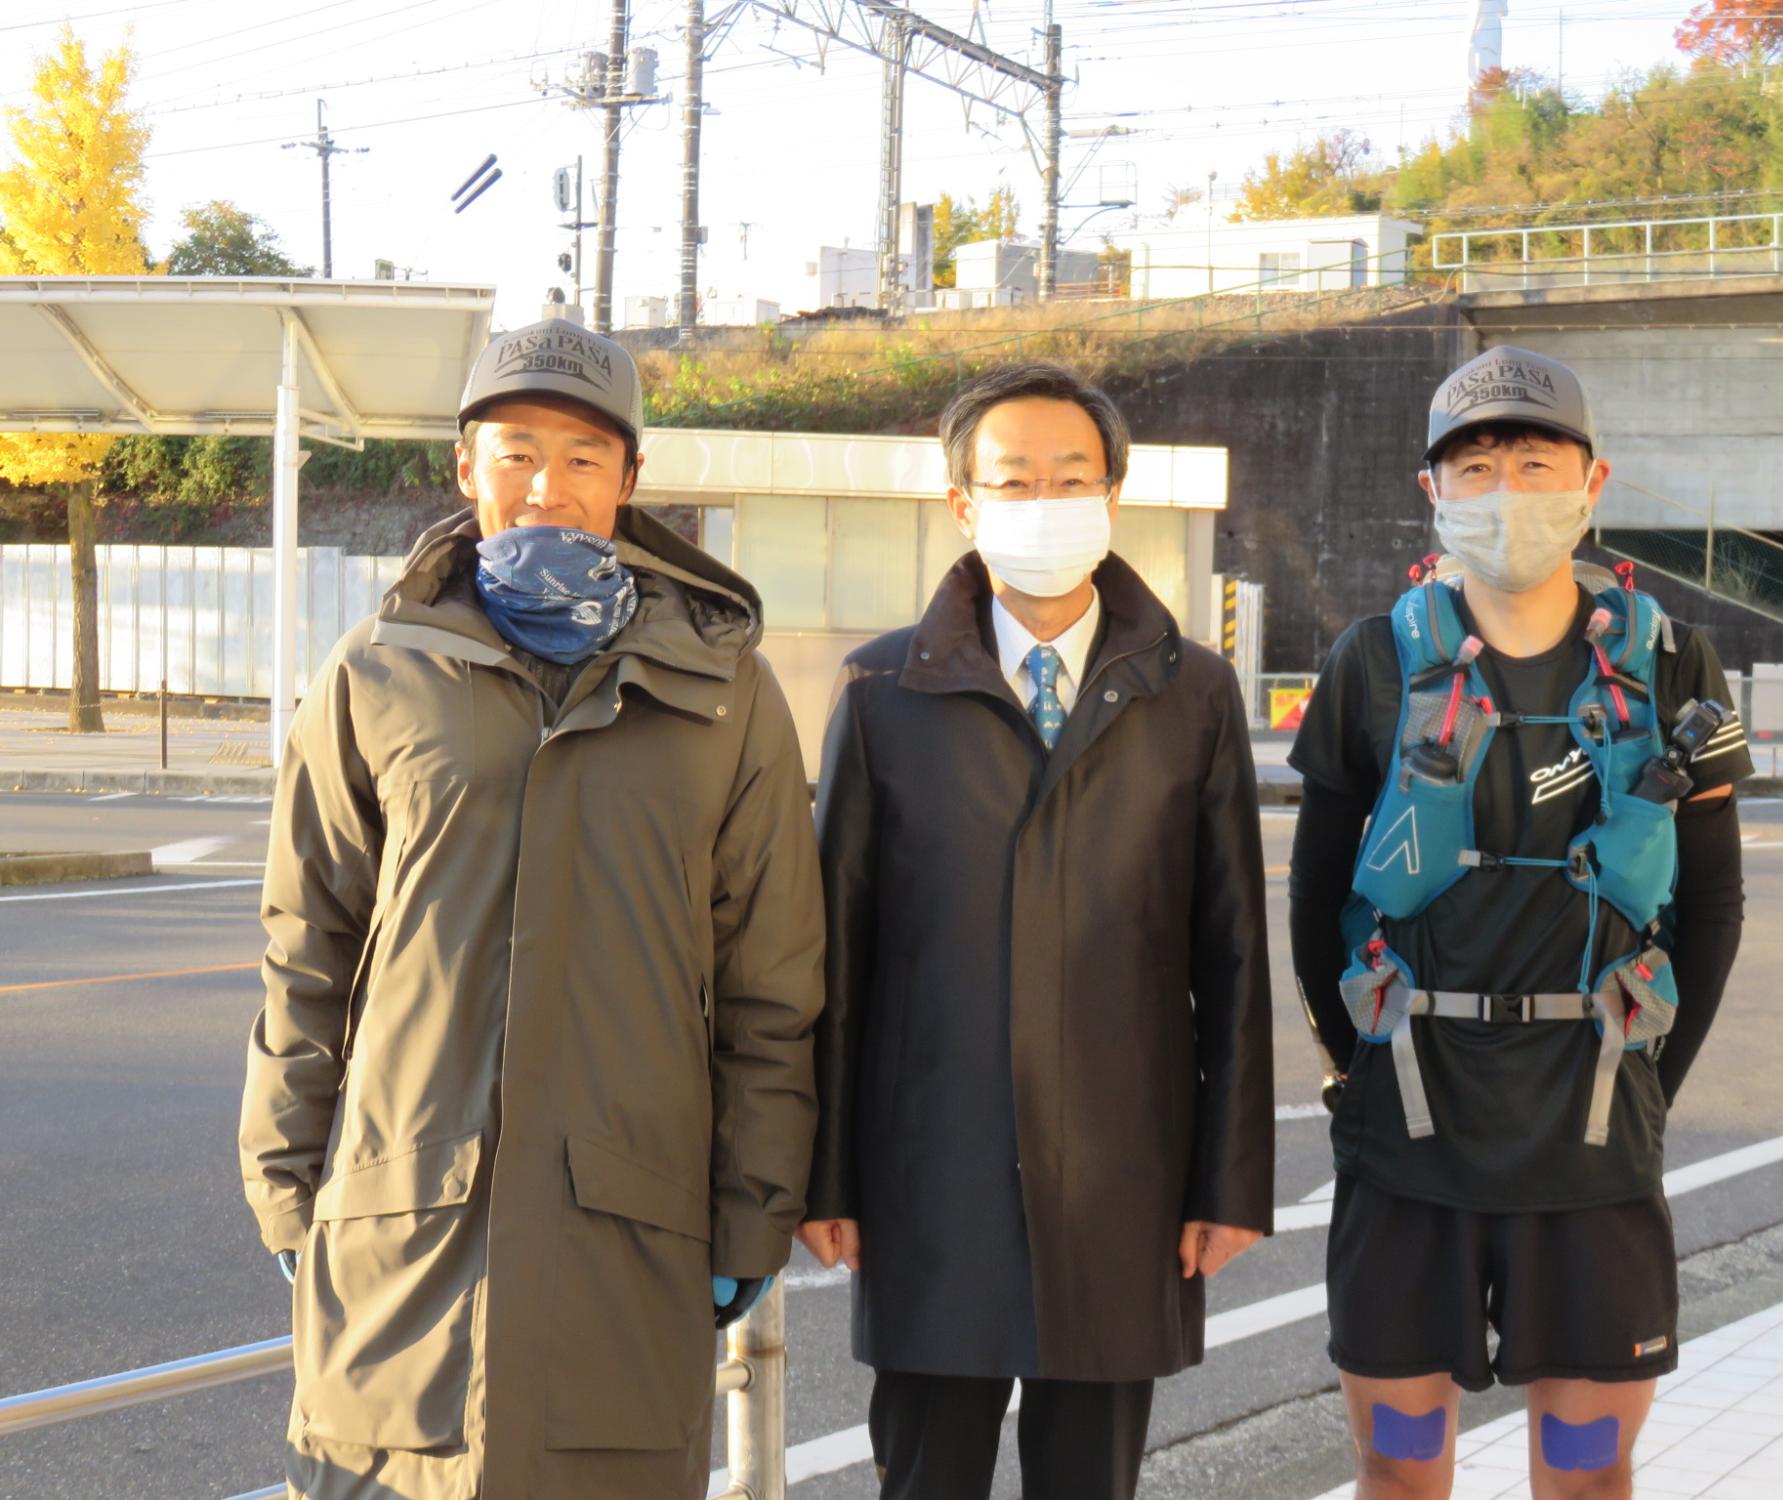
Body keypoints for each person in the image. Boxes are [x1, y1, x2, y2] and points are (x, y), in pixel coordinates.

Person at [238, 317, 824, 1500]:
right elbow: (308, 947)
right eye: (514, 452)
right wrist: (286, 1182)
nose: (545, 487)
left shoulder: (726, 695)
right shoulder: (373, 672)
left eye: (581, 457)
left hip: (629, 1240)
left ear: (629, 482)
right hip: (400, 1229)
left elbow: (771, 981)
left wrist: (752, 1208)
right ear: (465, 468)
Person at [801, 361, 1275, 1500]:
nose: (1043, 499)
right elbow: (836, 958)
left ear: (1113, 492)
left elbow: (1234, 956)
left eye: (1070, 476)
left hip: (1125, 1178)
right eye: (1013, 480)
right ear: (963, 502)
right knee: (925, 1478)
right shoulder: (880, 695)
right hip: (928, 1175)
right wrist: (823, 1175)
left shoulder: (1192, 696)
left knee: (1089, 1483)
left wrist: (1228, 1180)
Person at [1288, 345, 1752, 1499]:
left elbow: (1712, 907)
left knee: (1585, 1475)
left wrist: (1652, 1081)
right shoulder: (1371, 661)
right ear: (1432, 492)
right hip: (1406, 1145)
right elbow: (1312, 899)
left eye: (1534, 462)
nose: (1505, 490)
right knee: (1396, 1473)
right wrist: (1356, 1068)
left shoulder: (1670, 661)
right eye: (1476, 465)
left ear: (1591, 484)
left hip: (1591, 1151)